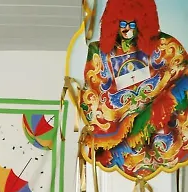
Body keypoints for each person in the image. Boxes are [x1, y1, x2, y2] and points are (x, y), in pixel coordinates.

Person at [80, 0, 188, 179]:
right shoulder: (99, 52)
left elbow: (182, 73)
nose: (126, 29)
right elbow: (93, 91)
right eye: (122, 23)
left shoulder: (165, 45)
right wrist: (126, 118)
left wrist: (153, 111)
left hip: (160, 131)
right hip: (118, 142)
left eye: (132, 24)